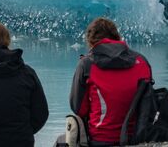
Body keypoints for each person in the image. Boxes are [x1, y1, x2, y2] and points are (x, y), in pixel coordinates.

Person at [62, 17, 153, 147]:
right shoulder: (142, 61)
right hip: (137, 137)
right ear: (116, 36)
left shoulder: (87, 64)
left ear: (91, 41)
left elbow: (78, 108)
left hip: (101, 139)